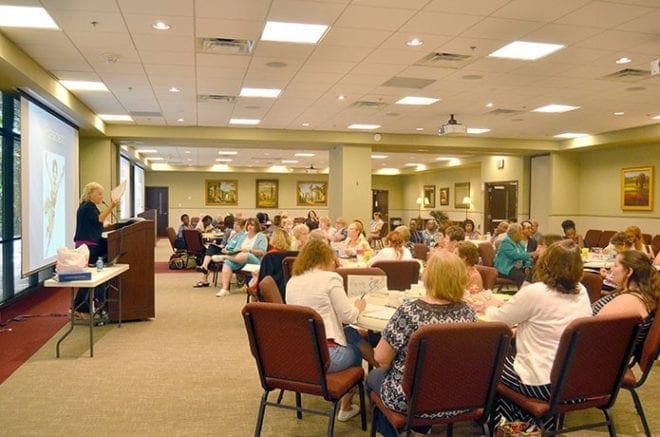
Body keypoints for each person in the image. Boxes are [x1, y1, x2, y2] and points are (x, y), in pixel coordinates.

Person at [367, 251, 478, 437]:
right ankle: (418, 431)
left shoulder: (410, 311)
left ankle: (401, 433)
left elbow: (381, 358)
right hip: (457, 398)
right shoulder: (468, 313)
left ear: (428, 276)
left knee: (372, 377)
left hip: (412, 399)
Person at [486, 240, 592, 430]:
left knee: (488, 365)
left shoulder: (535, 293)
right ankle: (530, 425)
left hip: (541, 382)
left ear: (545, 263)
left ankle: (502, 426)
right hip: (573, 381)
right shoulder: (582, 292)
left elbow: (497, 321)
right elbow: (552, 325)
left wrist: (489, 304)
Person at [285, 240, 369, 423]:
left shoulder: (292, 281)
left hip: (299, 354)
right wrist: (358, 307)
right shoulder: (330, 278)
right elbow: (349, 316)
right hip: (327, 358)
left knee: (351, 335)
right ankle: (346, 408)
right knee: (355, 349)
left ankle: (381, 364)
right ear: (326, 258)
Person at [592, 250, 659, 362]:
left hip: (599, 359)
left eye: (615, 265)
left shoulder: (629, 301)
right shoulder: (638, 294)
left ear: (628, 271)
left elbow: (593, 333)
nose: (611, 269)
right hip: (606, 355)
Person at [72, 182, 119, 314]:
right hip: (87, 244)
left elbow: (94, 223)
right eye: (99, 194)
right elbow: (98, 219)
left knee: (90, 276)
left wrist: (104, 224)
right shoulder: (88, 206)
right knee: (89, 276)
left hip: (88, 243)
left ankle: (83, 306)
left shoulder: (88, 206)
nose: (101, 197)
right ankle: (78, 306)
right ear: (90, 194)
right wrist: (112, 206)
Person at [215, 218, 268, 297]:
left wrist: (250, 250)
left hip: (255, 261)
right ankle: (225, 289)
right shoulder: (244, 236)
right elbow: (237, 248)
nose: (250, 227)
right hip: (239, 259)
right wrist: (235, 251)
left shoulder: (261, 236)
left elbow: (262, 252)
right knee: (227, 263)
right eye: (248, 225)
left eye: (252, 225)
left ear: (256, 226)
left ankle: (224, 257)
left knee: (246, 254)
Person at [194, 219, 246, 287]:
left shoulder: (243, 236)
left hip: (231, 253)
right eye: (234, 224)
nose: (235, 226)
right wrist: (222, 246)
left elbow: (238, 248)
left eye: (237, 225)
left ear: (242, 227)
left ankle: (204, 274)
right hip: (225, 249)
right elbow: (228, 244)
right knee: (211, 248)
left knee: (211, 251)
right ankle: (204, 267)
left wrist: (227, 251)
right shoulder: (234, 234)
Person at [493, 223, 533, 288]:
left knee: (531, 273)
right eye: (520, 233)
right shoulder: (506, 242)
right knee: (520, 276)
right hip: (505, 268)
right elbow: (514, 255)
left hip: (518, 267)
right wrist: (531, 254)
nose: (522, 235)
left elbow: (524, 256)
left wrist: (527, 266)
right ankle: (522, 294)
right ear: (515, 234)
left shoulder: (520, 243)